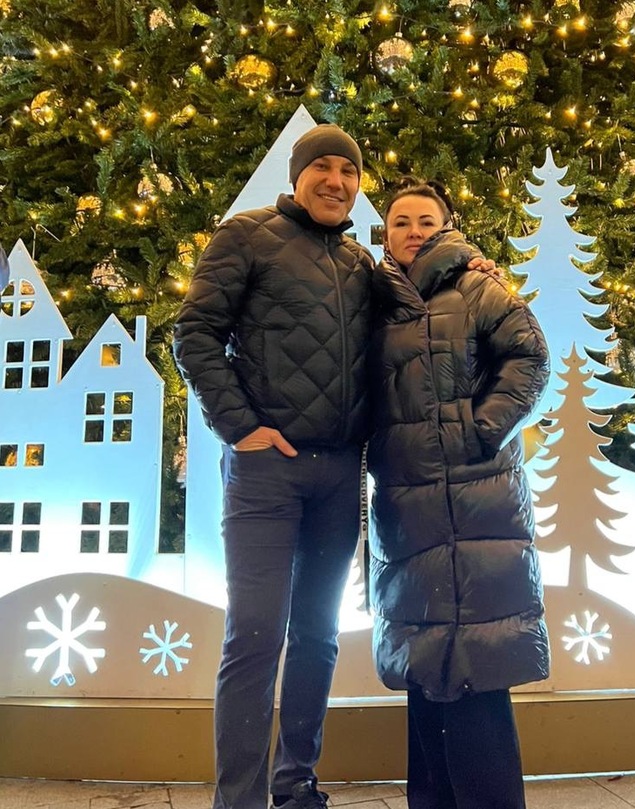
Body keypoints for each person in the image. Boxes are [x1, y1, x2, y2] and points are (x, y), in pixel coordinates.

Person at [173, 127, 495, 809]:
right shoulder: (246, 236)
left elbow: (418, 298)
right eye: (321, 166)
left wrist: (470, 266)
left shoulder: (360, 263)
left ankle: (296, 786)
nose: (336, 180)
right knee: (255, 636)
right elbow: (194, 333)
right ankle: (239, 801)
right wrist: (241, 427)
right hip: (266, 474)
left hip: (340, 474)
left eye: (348, 171)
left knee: (317, 634)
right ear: (297, 176)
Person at [367, 181, 551, 809]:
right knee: (424, 662)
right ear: (385, 235)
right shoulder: (372, 302)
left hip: (477, 497)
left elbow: (529, 356)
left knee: (477, 664)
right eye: (400, 221)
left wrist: (478, 429)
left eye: (426, 220)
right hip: (406, 504)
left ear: (446, 227)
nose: (413, 231)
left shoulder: (477, 287)